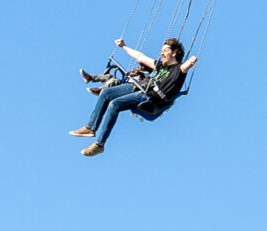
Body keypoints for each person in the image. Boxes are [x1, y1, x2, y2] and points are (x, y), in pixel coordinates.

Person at [70, 37, 198, 157]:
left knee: (114, 104)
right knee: (106, 93)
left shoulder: (178, 69)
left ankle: (99, 145)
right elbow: (140, 56)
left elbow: (186, 66)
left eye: (165, 51)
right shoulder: (161, 66)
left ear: (174, 53)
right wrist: (123, 46)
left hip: (150, 99)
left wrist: (191, 61)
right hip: (141, 89)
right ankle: (90, 128)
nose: (162, 53)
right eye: (161, 50)